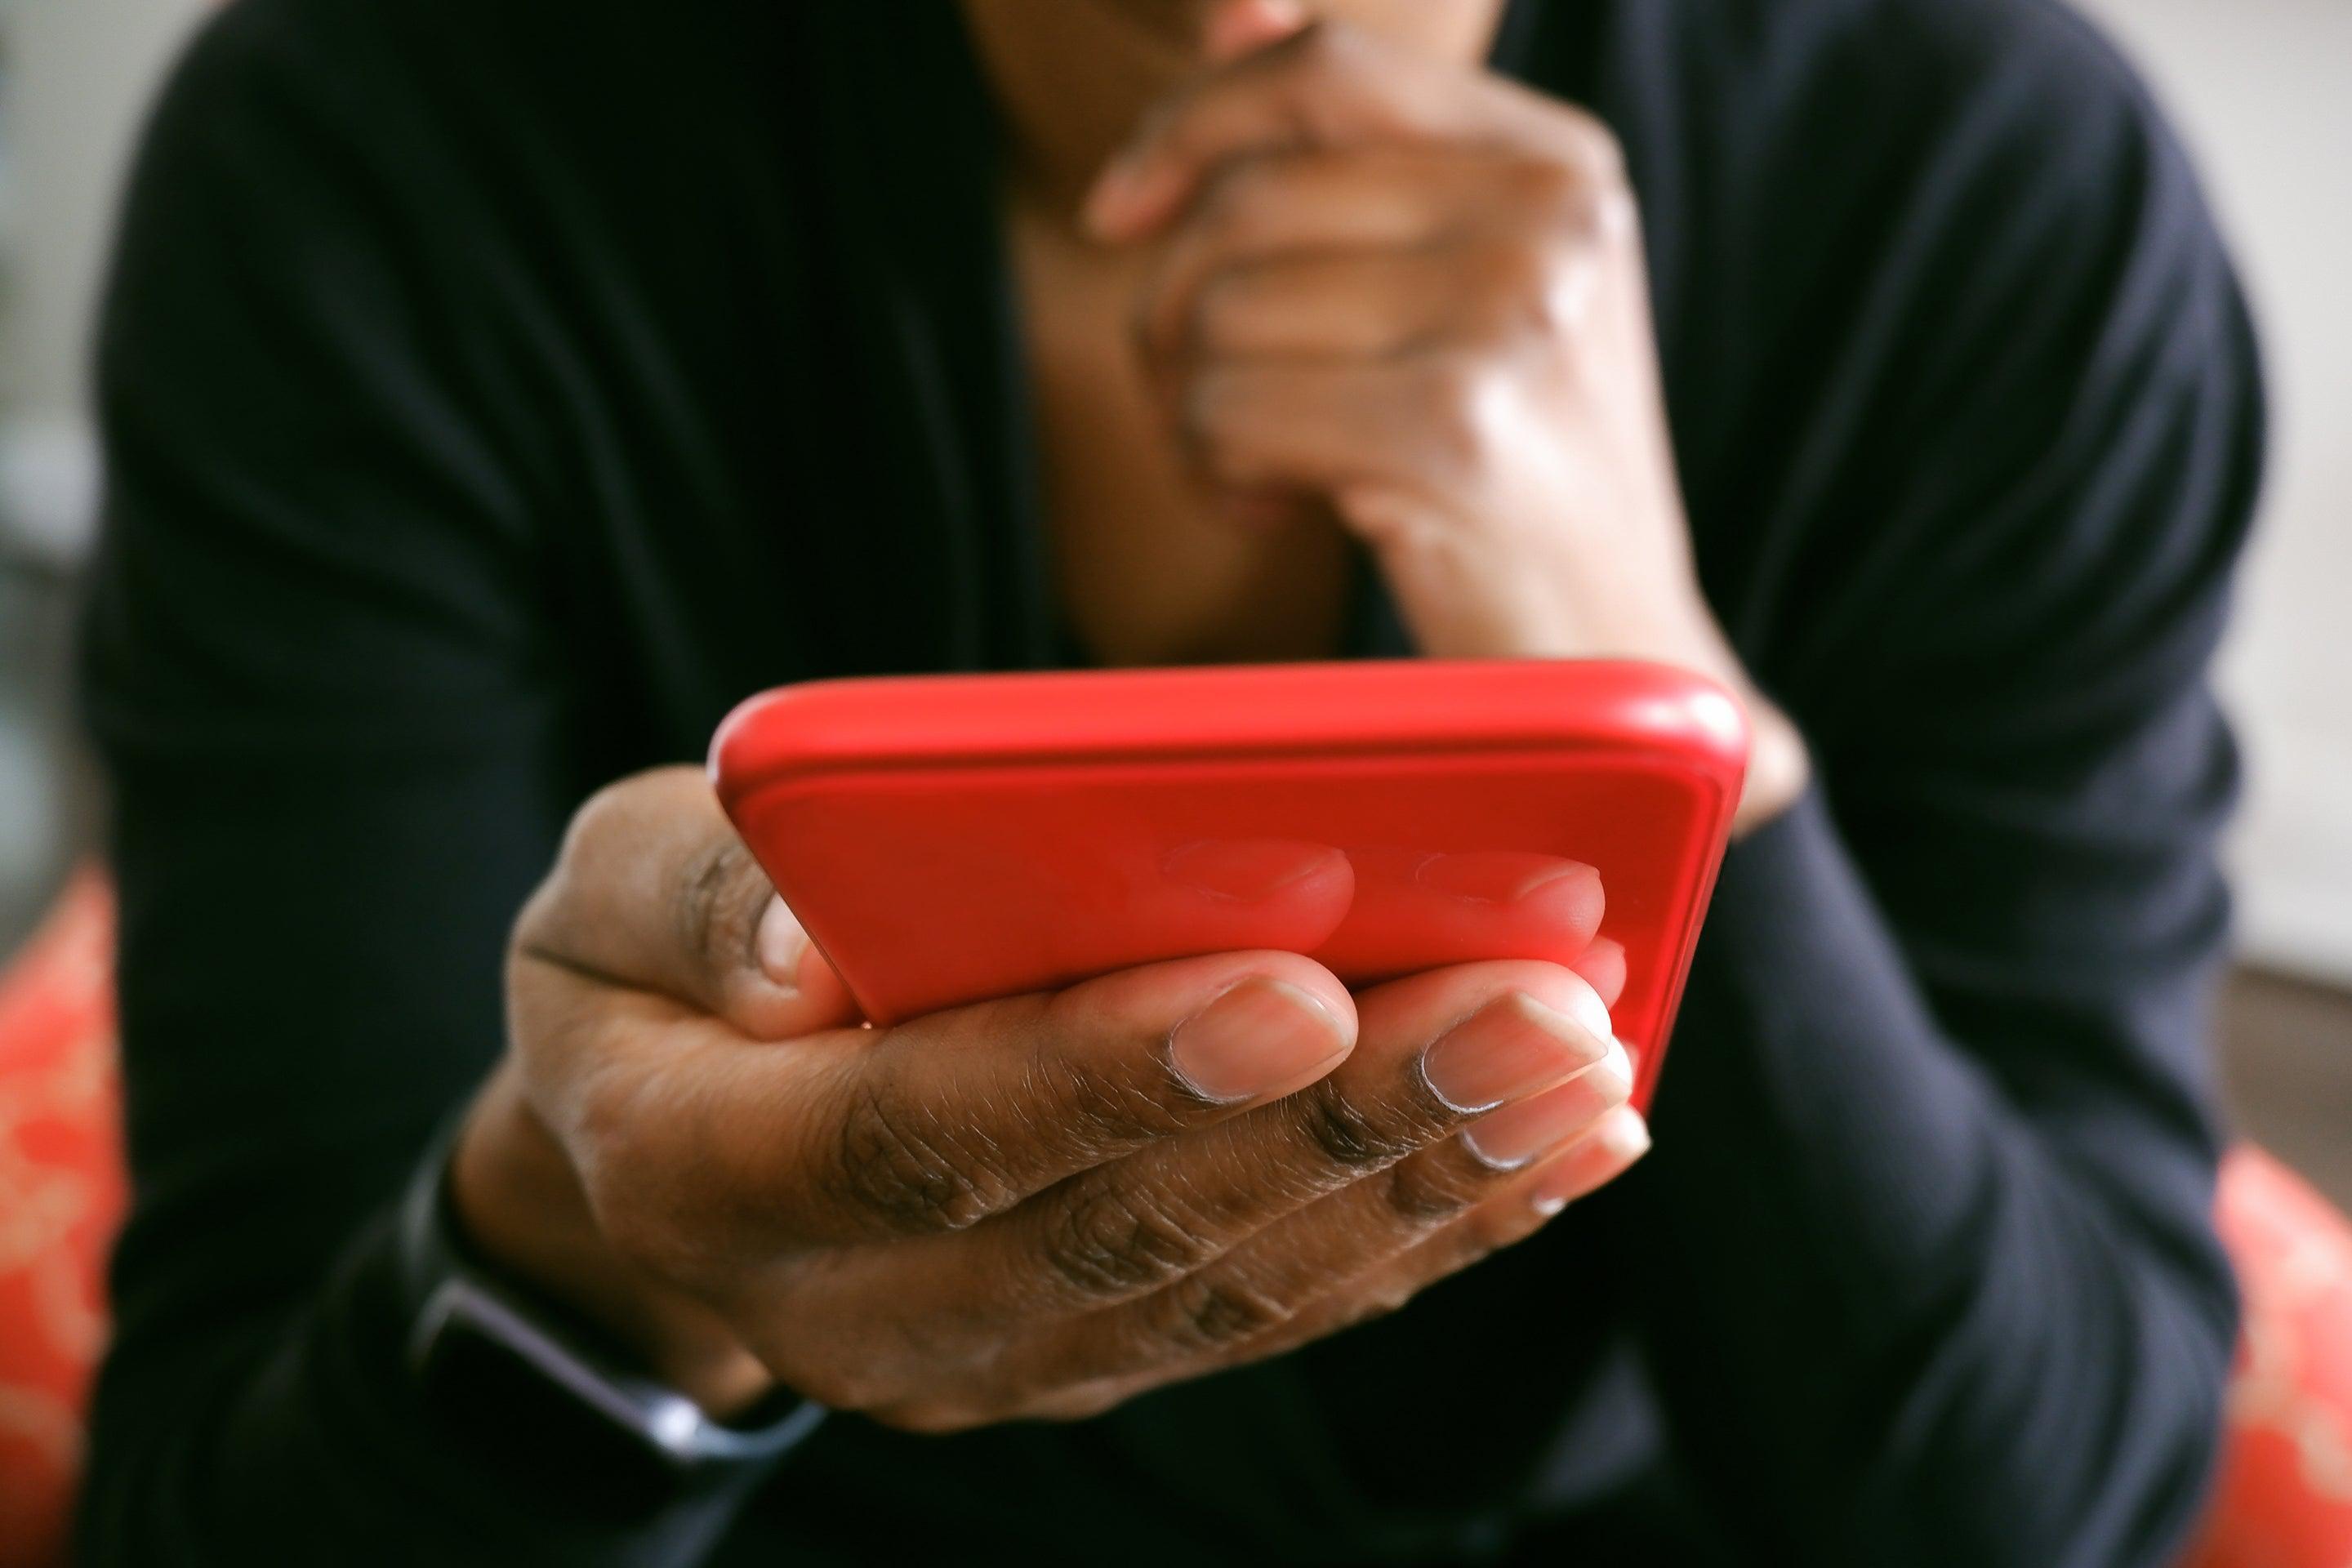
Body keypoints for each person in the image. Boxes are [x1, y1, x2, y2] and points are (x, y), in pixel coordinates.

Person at [75, 0, 2263, 1561]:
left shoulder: (1989, 185)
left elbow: (2044, 1495)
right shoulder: (379, 142)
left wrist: (1651, 694)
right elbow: (219, 1497)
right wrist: (598, 1231)